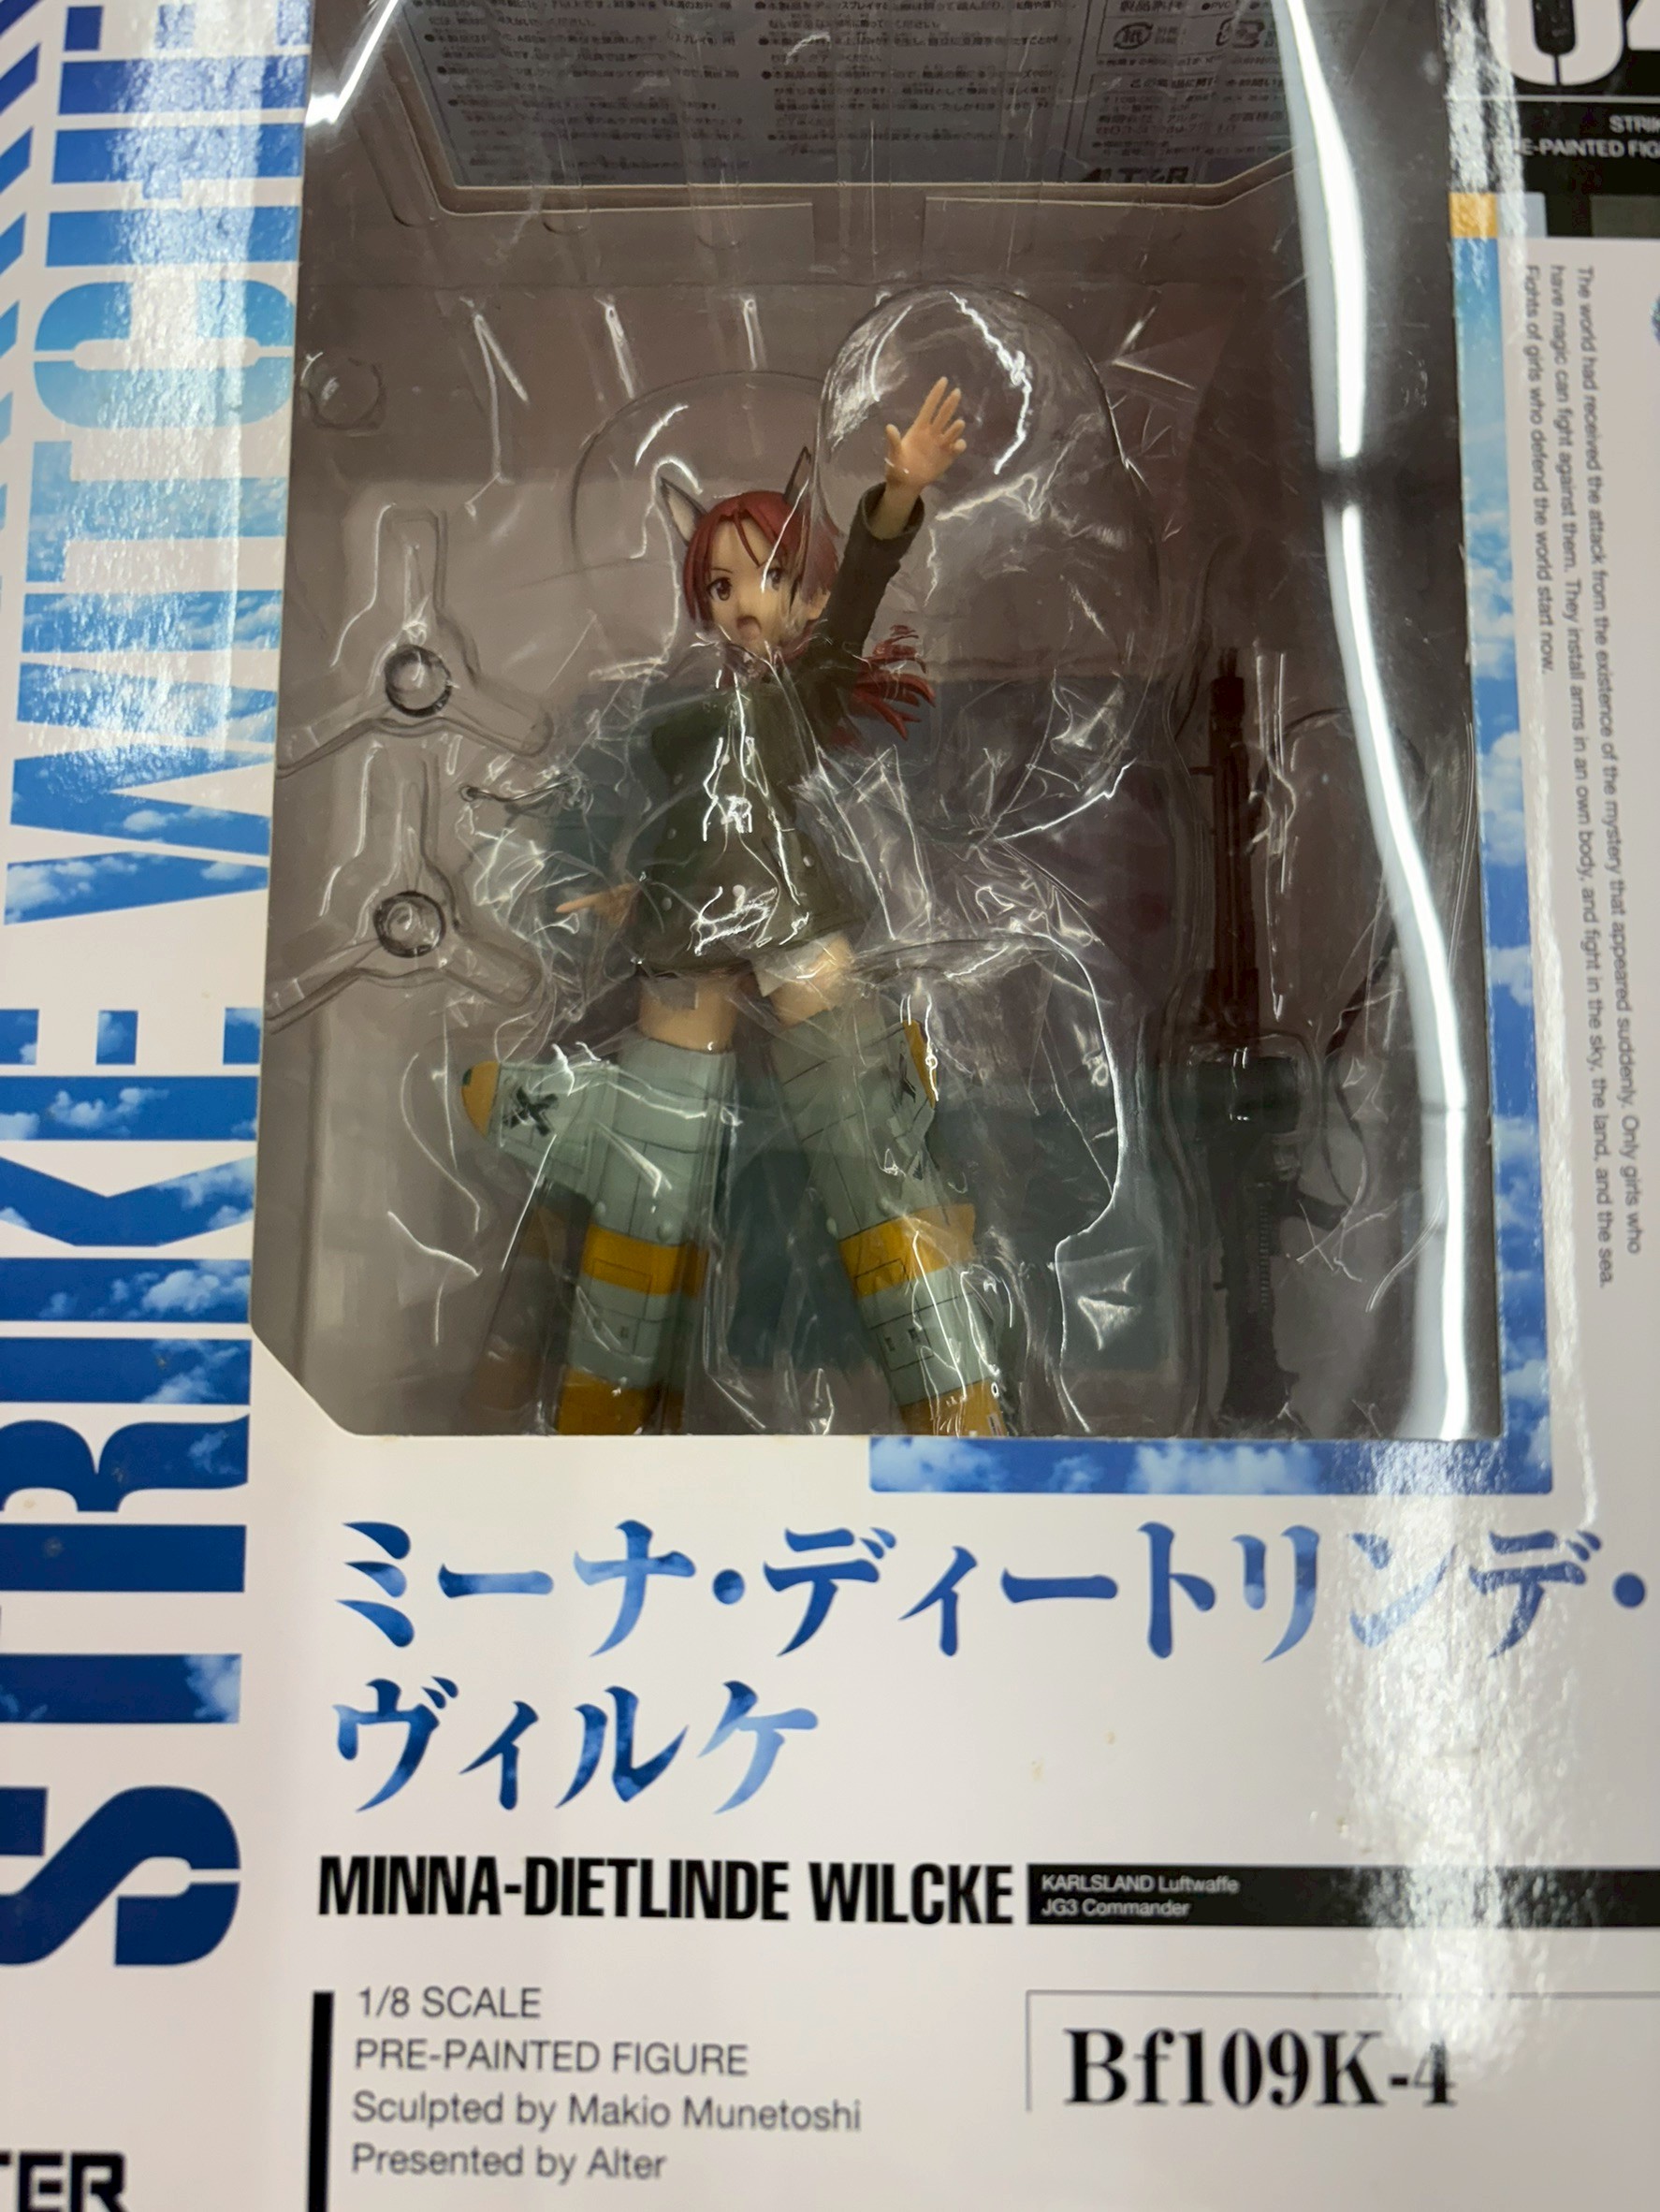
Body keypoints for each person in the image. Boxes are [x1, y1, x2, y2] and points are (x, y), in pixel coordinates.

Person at [462, 380, 1005, 1438]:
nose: (744, 601)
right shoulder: (687, 712)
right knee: (651, 1160)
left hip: (791, 917)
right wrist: (629, 894)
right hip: (684, 932)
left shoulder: (802, 688)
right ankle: (599, 1416)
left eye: (769, 576)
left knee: (863, 1138)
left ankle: (960, 1403)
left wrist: (896, 497)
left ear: (805, 589)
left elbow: (855, 614)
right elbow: (688, 824)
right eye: (721, 583)